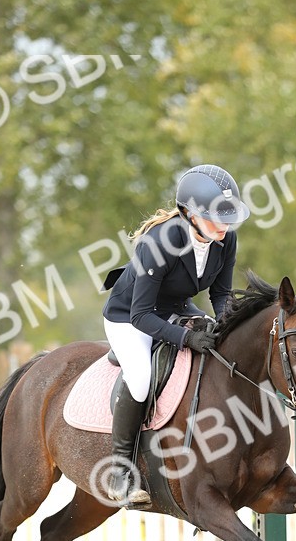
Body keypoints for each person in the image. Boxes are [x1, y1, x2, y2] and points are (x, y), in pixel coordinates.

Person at [102, 163, 251, 505]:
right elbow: (141, 314)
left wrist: (227, 325)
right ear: (189, 214)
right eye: (217, 216)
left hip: (175, 307)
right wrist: (185, 338)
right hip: (129, 317)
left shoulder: (224, 239)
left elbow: (220, 295)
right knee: (140, 378)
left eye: (228, 216)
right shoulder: (160, 243)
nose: (225, 225)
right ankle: (119, 472)